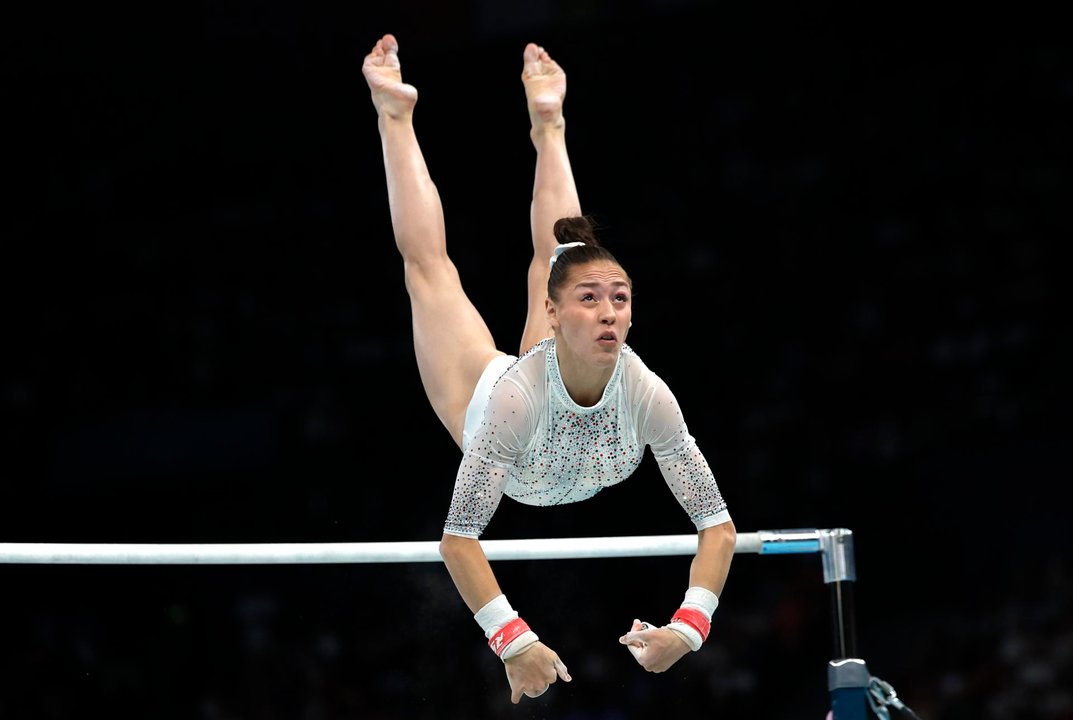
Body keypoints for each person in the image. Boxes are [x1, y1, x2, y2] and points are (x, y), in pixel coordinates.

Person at [361, 33, 737, 705]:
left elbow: (717, 526)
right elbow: (459, 540)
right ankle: (394, 114)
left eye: (619, 299)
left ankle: (550, 122)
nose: (609, 314)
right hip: (490, 402)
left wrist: (689, 627)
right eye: (589, 301)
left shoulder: (648, 394)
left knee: (568, 250)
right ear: (552, 314)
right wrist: (514, 641)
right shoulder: (511, 401)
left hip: (542, 413)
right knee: (430, 275)